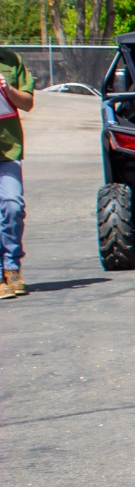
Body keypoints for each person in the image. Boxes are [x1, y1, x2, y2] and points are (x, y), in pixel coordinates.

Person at [0, 48, 35, 299]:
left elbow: (28, 103)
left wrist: (7, 90)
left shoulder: (11, 61)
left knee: (13, 205)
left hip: (8, 149)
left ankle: (11, 268)